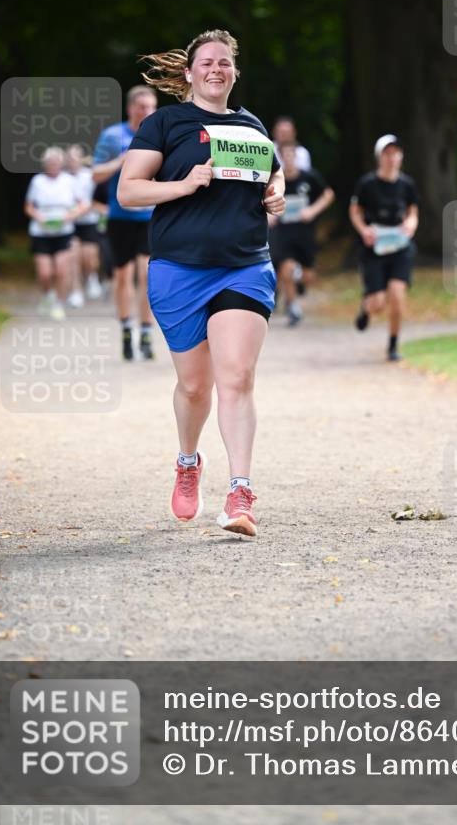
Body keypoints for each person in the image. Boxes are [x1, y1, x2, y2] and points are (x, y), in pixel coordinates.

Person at [117, 29, 285, 537]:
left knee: (236, 377)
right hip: (179, 269)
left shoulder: (251, 126)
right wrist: (185, 184)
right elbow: (129, 191)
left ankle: (240, 492)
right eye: (207, 62)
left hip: (244, 265)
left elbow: (273, 175)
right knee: (195, 386)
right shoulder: (165, 123)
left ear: (235, 72)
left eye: (225, 63)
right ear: (189, 73)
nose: (217, 69)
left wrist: (276, 194)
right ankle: (188, 461)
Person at [93, 86, 158, 360]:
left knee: (146, 275)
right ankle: (125, 329)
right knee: (123, 276)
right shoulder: (112, 136)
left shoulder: (160, 134)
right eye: (141, 106)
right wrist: (121, 161)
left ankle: (145, 332)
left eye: (150, 107)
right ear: (130, 108)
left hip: (150, 216)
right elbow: (95, 174)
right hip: (120, 216)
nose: (145, 112)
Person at [349, 135, 419, 361]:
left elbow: (413, 212)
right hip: (375, 248)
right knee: (377, 304)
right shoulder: (367, 184)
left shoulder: (407, 184)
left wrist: (410, 224)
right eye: (387, 154)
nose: (392, 158)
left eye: (396, 153)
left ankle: (393, 345)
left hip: (399, 246)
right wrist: (364, 230)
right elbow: (355, 211)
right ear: (380, 157)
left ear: (401, 156)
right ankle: (366, 308)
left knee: (397, 296)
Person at [268, 140, 335, 325]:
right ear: (280, 157)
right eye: (285, 155)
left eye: (292, 155)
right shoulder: (275, 180)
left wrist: (312, 210)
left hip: (305, 234)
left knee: (308, 276)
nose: (289, 159)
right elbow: (263, 199)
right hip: (283, 233)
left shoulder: (309, 177)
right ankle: (293, 308)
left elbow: (328, 195)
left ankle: (300, 282)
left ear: (297, 156)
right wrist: (270, 214)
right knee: (286, 270)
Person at [24, 146, 89, 320]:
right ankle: (47, 295)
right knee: (45, 273)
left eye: (56, 162)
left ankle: (59, 303)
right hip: (41, 231)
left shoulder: (69, 181)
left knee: (61, 271)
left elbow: (83, 204)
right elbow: (29, 206)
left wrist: (70, 216)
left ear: (61, 163)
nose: (52, 165)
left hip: (63, 230)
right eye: (49, 162)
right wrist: (39, 217)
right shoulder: (37, 181)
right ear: (44, 164)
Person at [65, 144, 103, 304]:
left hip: (89, 221)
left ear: (81, 159)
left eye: (75, 157)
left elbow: (95, 199)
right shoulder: (62, 178)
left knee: (89, 258)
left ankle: (91, 276)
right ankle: (76, 291)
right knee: (74, 257)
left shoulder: (89, 176)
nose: (73, 161)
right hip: (69, 224)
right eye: (70, 158)